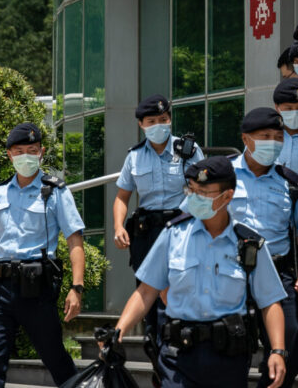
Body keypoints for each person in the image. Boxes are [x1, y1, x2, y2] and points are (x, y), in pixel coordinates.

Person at [114, 156, 288, 388]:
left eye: (203, 193)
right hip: (178, 355)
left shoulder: (249, 243)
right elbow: (146, 291)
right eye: (192, 190)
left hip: (228, 357)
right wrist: (119, 331)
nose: (195, 198)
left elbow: (270, 301)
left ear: (227, 196)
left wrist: (277, 350)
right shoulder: (173, 235)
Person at [0, 123, 86, 387]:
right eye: (19, 151)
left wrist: (77, 287)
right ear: (9, 154)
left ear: (41, 152)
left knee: (56, 359)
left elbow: (75, 240)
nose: (26, 156)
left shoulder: (55, 191)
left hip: (36, 289)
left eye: (32, 150)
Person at [112, 94, 205, 350]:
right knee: (148, 292)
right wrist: (119, 227)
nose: (158, 125)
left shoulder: (188, 151)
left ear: (170, 119)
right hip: (147, 232)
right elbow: (122, 197)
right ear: (141, 125)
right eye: (151, 121)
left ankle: (181, 341)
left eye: (163, 119)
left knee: (179, 287)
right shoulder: (134, 156)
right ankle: (155, 347)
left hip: (181, 227)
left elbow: (205, 188)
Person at [228, 107, 298, 388]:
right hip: (229, 270)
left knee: (291, 337)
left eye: (278, 137)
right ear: (246, 138)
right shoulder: (221, 176)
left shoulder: (291, 183)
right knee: (229, 345)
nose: (273, 142)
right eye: (265, 136)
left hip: (277, 270)